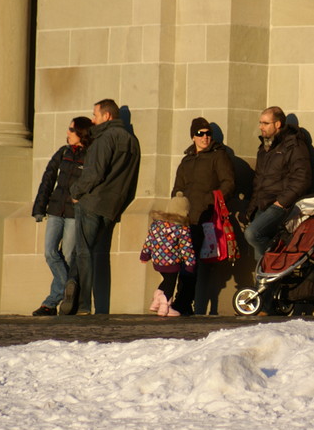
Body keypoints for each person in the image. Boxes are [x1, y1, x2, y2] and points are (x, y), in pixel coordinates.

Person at [66, 99, 141, 315]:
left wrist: (75, 191)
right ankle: (78, 292)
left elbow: (94, 173)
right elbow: (132, 181)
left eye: (95, 115)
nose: (92, 119)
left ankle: (82, 304)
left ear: (107, 116)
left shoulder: (104, 138)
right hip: (112, 206)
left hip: (91, 202)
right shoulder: (132, 141)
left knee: (83, 252)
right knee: (95, 254)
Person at [170, 117, 236, 315]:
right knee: (181, 260)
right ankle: (179, 301)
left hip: (206, 218)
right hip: (185, 218)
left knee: (191, 262)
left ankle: (183, 303)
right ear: (193, 136)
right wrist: (177, 204)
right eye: (200, 133)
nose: (205, 137)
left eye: (208, 133)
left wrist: (210, 199)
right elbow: (177, 188)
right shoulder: (186, 160)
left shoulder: (218, 156)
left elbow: (229, 183)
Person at [31, 117, 92, 316]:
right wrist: (39, 207)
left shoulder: (90, 155)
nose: (67, 133)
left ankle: (51, 303)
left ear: (81, 132)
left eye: (71, 129)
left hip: (75, 214)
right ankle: (68, 288)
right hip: (56, 211)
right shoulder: (63, 152)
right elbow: (48, 178)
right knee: (50, 252)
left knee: (67, 256)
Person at [243, 106, 311, 261]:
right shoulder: (264, 148)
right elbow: (259, 181)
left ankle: (280, 259)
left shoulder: (293, 145)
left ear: (278, 124)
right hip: (263, 205)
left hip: (281, 205)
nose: (261, 127)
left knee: (252, 234)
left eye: (265, 123)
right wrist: (251, 209)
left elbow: (303, 178)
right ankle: (267, 283)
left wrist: (281, 202)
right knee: (259, 258)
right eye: (260, 123)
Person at [140, 193, 197, 317]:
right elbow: (186, 248)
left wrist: (145, 254)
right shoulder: (182, 228)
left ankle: (156, 301)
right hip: (172, 262)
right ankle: (165, 308)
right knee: (170, 283)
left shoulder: (157, 224)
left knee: (166, 280)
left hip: (157, 261)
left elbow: (149, 240)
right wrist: (190, 264)